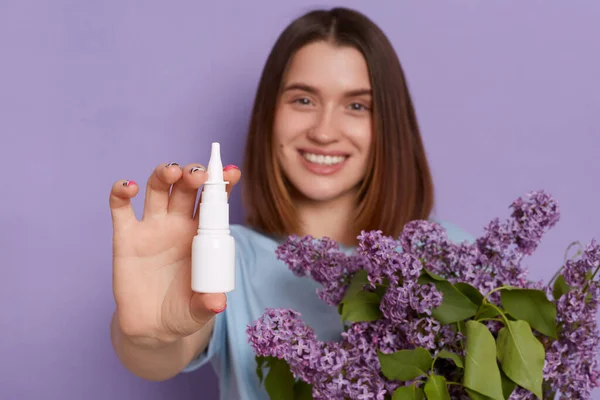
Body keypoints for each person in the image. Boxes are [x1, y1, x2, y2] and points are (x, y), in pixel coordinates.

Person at [108, 6, 473, 400]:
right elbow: (162, 353)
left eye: (356, 106)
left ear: (390, 126)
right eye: (303, 100)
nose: (323, 131)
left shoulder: (451, 257)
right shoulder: (228, 258)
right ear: (270, 113)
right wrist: (150, 338)